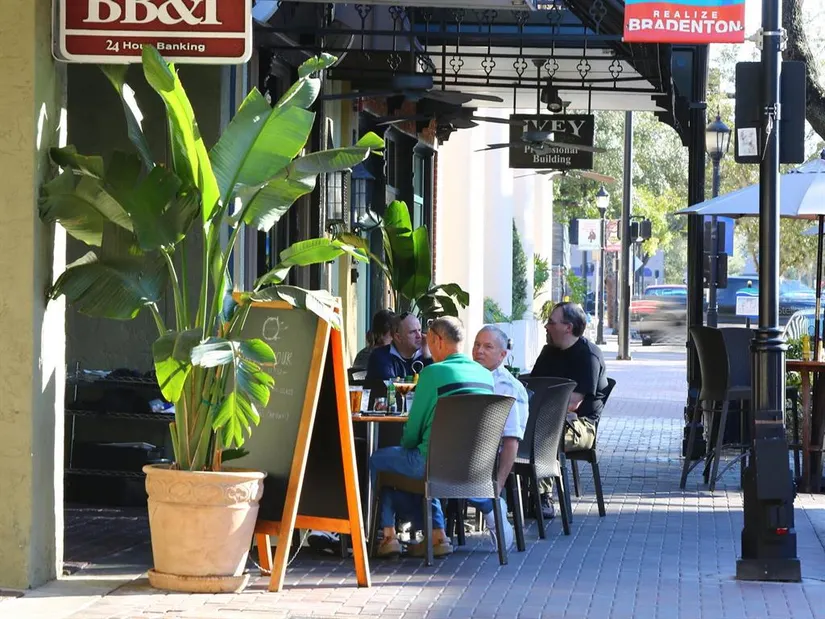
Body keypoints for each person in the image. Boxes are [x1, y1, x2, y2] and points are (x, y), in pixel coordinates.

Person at [369, 316, 495, 558]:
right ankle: (437, 535)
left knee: (379, 460)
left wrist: (407, 445)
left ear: (437, 340)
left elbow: (412, 433)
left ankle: (387, 536)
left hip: (432, 463)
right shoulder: (485, 375)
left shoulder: (432, 373)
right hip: (474, 465)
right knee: (428, 462)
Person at [530, 301, 608, 519]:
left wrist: (537, 408)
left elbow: (573, 404)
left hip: (581, 426)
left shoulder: (588, 356)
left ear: (568, 327)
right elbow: (532, 388)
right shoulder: (549, 352)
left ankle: (543, 496)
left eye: (551, 322)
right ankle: (510, 496)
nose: (546, 326)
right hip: (548, 418)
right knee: (509, 432)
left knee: (542, 434)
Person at [468, 326, 530, 550]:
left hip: (488, 457)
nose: (479, 351)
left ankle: (491, 505)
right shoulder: (468, 377)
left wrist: (497, 487)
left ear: (502, 355)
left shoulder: (507, 387)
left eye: (487, 347)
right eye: (476, 345)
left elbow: (512, 441)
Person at [365, 311, 433, 381]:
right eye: (412, 332)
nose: (419, 336)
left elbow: (434, 383)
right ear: (398, 337)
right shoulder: (380, 356)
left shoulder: (425, 355)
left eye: (419, 330)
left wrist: (428, 358)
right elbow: (389, 385)